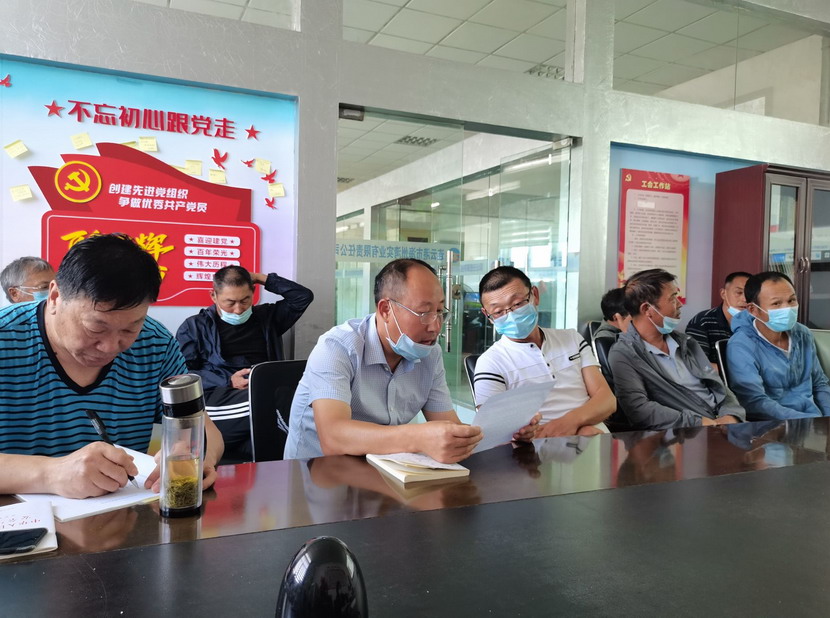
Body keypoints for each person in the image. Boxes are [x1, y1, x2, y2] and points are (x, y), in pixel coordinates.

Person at [0, 233, 223, 498]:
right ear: (55, 296)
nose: (110, 347)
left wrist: (193, 455)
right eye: (96, 328)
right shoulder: (6, 338)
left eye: (130, 329)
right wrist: (51, 473)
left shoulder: (156, 345)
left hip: (121, 513)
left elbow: (204, 428)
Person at [284, 258, 491, 462]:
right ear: (386, 310)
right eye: (424, 313)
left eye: (439, 312)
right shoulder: (337, 347)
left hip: (385, 468)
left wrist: (482, 435)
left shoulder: (430, 354)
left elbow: (448, 425)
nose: (435, 327)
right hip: (316, 472)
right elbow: (333, 438)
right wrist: (417, 437)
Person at [176, 266, 313, 460]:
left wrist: (260, 278)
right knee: (283, 401)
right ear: (213, 296)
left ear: (253, 293)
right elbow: (183, 375)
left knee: (290, 410)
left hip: (261, 395)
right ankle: (304, 461)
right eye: (230, 302)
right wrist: (227, 380)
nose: (238, 309)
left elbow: (302, 297)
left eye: (245, 300)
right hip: (219, 399)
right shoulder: (194, 327)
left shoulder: (267, 318)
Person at [473, 266, 614, 437]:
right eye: (498, 312)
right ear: (486, 315)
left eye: (517, 304)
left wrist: (570, 423)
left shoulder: (571, 339)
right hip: (538, 444)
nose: (511, 316)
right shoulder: (491, 362)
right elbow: (492, 427)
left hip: (593, 432)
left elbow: (607, 400)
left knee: (590, 433)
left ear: (535, 295)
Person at [608, 268, 746, 430]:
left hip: (720, 427)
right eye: (673, 298)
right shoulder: (625, 353)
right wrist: (698, 422)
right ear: (647, 310)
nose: (680, 304)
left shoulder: (686, 342)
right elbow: (639, 409)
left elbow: (719, 388)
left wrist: (731, 415)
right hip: (685, 434)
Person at [726, 271, 830, 420]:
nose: (787, 308)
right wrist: (807, 421)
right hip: (773, 426)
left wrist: (826, 419)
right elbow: (753, 401)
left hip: (814, 420)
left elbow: (819, 384)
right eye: (776, 303)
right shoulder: (741, 345)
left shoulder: (803, 334)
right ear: (753, 310)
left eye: (791, 300)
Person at [686, 271, 751, 365]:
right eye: (739, 292)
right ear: (723, 294)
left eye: (749, 294)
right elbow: (697, 364)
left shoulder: (756, 323)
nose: (744, 299)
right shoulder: (702, 321)